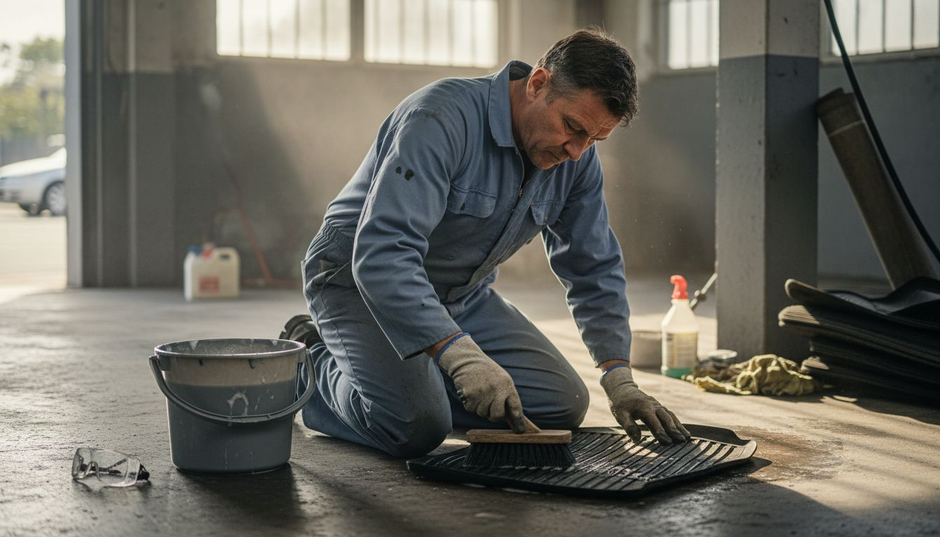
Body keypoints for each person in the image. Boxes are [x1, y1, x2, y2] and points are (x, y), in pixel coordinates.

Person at [286, 28, 691, 458]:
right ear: (538, 84)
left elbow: (592, 266)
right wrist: (459, 356)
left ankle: (415, 377)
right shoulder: (441, 118)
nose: (577, 152)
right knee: (417, 427)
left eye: (593, 139)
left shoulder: (577, 157)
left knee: (562, 404)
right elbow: (383, 254)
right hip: (357, 282)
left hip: (459, 296)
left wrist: (618, 375)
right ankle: (309, 362)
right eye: (571, 128)